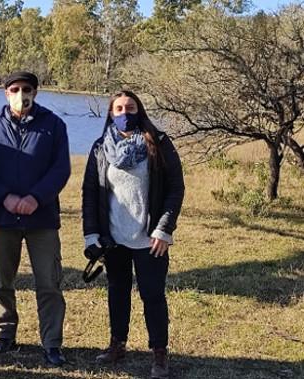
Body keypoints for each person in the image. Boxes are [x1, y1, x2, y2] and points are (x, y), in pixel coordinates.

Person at [81, 90, 184, 379]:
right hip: (113, 237)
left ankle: (160, 353)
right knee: (117, 291)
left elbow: (175, 188)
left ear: (139, 110)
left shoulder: (159, 143)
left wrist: (164, 228)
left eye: (130, 107)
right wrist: (91, 233)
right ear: (110, 114)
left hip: (150, 239)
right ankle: (117, 344)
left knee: (152, 295)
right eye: (118, 109)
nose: (124, 113)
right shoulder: (101, 147)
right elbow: (90, 192)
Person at [0, 71, 71, 365]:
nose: (21, 94)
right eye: (15, 89)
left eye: (27, 89)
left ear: (36, 92)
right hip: (3, 218)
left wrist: (35, 198)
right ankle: (5, 335)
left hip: (42, 219)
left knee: (49, 282)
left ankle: (52, 344)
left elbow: (60, 170)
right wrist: (6, 197)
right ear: (6, 93)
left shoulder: (54, 125)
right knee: (2, 280)